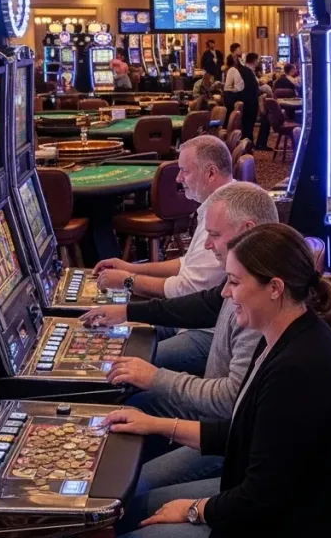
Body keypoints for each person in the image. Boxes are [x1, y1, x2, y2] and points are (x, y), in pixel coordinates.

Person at [109, 223, 331, 537]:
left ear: (274, 288)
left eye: (234, 282)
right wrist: (157, 424)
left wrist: (194, 509)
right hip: (265, 499)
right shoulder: (278, 334)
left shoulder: (298, 369)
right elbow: (247, 432)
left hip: (286, 521)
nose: (226, 294)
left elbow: (261, 498)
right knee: (128, 510)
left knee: (131, 529)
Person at [81, 182, 278, 493]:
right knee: (126, 404)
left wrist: (157, 379)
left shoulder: (260, 304)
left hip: (234, 442)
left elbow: (230, 407)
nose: (207, 245)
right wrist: (129, 311)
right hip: (227, 424)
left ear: (247, 230)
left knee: (136, 488)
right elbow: (200, 304)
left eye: (214, 236)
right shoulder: (246, 278)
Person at [93, 136, 233, 379]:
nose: (178, 179)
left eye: (184, 171)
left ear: (211, 173)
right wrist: (132, 268)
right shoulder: (217, 203)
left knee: (113, 366)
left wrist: (128, 281)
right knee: (109, 337)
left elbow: (187, 289)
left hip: (207, 332)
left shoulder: (225, 214)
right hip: (190, 317)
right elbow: (187, 264)